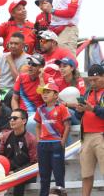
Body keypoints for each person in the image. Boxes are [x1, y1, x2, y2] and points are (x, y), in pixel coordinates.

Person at [35, 83, 70, 196]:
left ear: (56, 95)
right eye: (43, 93)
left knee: (59, 174)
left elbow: (67, 125)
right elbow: (38, 125)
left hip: (56, 143)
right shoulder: (40, 109)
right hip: (43, 144)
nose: (44, 95)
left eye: (48, 92)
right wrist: (38, 140)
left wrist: (63, 141)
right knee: (44, 175)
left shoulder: (62, 108)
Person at [75, 64, 104, 196]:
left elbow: (95, 111)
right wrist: (79, 111)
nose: (92, 83)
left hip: (101, 136)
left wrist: (92, 109)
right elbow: (79, 116)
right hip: (86, 136)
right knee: (86, 175)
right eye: (90, 80)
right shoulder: (87, 92)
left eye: (96, 79)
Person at [0, 109, 37, 195]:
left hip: (26, 172)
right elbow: (0, 157)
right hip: (8, 171)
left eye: (15, 118)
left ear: (24, 121)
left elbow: (34, 163)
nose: (11, 120)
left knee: (18, 179)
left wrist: (16, 172)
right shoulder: (5, 137)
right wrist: (5, 171)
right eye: (10, 118)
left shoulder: (31, 139)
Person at [0, 32, 29, 107]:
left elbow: (18, 81)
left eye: (16, 44)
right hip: (1, 91)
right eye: (11, 43)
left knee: (10, 95)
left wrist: (10, 62)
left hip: (17, 91)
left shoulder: (28, 60)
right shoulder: (0, 57)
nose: (13, 46)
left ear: (23, 45)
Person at [12, 54, 45, 133]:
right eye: (29, 63)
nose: (30, 66)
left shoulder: (46, 78)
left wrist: (41, 79)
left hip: (39, 113)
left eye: (34, 64)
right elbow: (14, 99)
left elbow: (46, 99)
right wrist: (16, 113)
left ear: (41, 68)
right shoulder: (21, 77)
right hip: (23, 113)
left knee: (31, 122)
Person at [55, 57, 85, 125]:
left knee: (65, 111)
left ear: (72, 68)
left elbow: (82, 102)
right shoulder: (57, 81)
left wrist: (65, 104)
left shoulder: (79, 81)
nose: (61, 69)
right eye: (60, 66)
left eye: (64, 66)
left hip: (77, 115)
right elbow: (54, 100)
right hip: (62, 113)